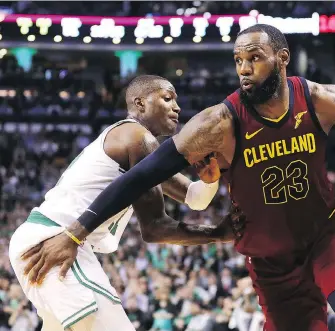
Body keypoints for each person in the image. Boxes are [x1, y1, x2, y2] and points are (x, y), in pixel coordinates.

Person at [23, 25, 335, 331]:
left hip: (324, 231)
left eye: (255, 58)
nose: (244, 68)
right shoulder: (217, 123)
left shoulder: (321, 99)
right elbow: (142, 176)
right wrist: (77, 231)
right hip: (270, 253)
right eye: (238, 60)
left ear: (281, 58)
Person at [9, 75, 243, 331]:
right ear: (140, 103)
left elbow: (195, 199)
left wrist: (210, 181)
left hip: (49, 241)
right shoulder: (137, 137)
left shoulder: (140, 149)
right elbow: (155, 228)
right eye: (167, 98)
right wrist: (218, 234)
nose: (177, 107)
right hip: (55, 240)